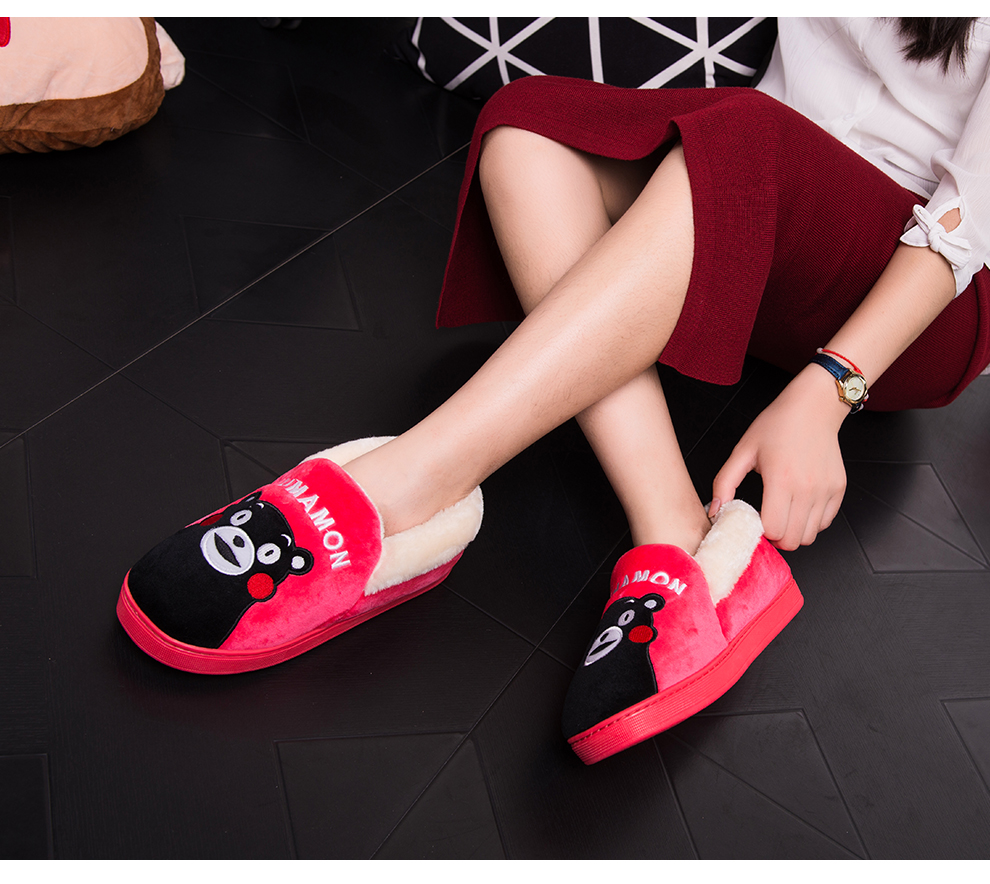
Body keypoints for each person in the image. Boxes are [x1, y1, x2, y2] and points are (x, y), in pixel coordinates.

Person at [118, 18, 989, 764]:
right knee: (529, 126)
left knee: (752, 133)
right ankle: (678, 532)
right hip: (748, 220)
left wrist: (831, 386)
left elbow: (972, 220)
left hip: (917, 304)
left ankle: (409, 485)